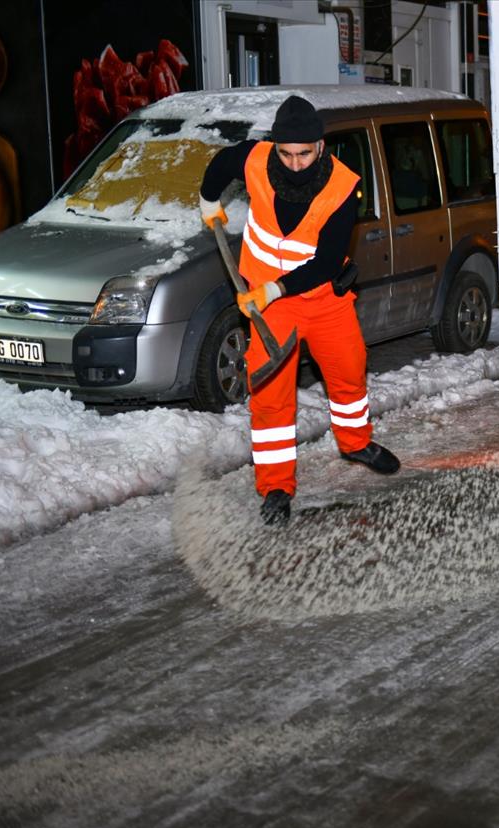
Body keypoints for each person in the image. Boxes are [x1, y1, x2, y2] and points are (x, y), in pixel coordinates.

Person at [198, 95, 399, 526]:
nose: (294, 163)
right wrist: (208, 198)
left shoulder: (344, 187)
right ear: (276, 146)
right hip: (270, 309)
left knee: (348, 368)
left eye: (303, 153)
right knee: (270, 392)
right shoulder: (255, 159)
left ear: (321, 147)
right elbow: (219, 165)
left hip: (323, 298)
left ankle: (355, 442)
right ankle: (275, 487)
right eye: (286, 154)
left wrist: (275, 288)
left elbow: (326, 262)